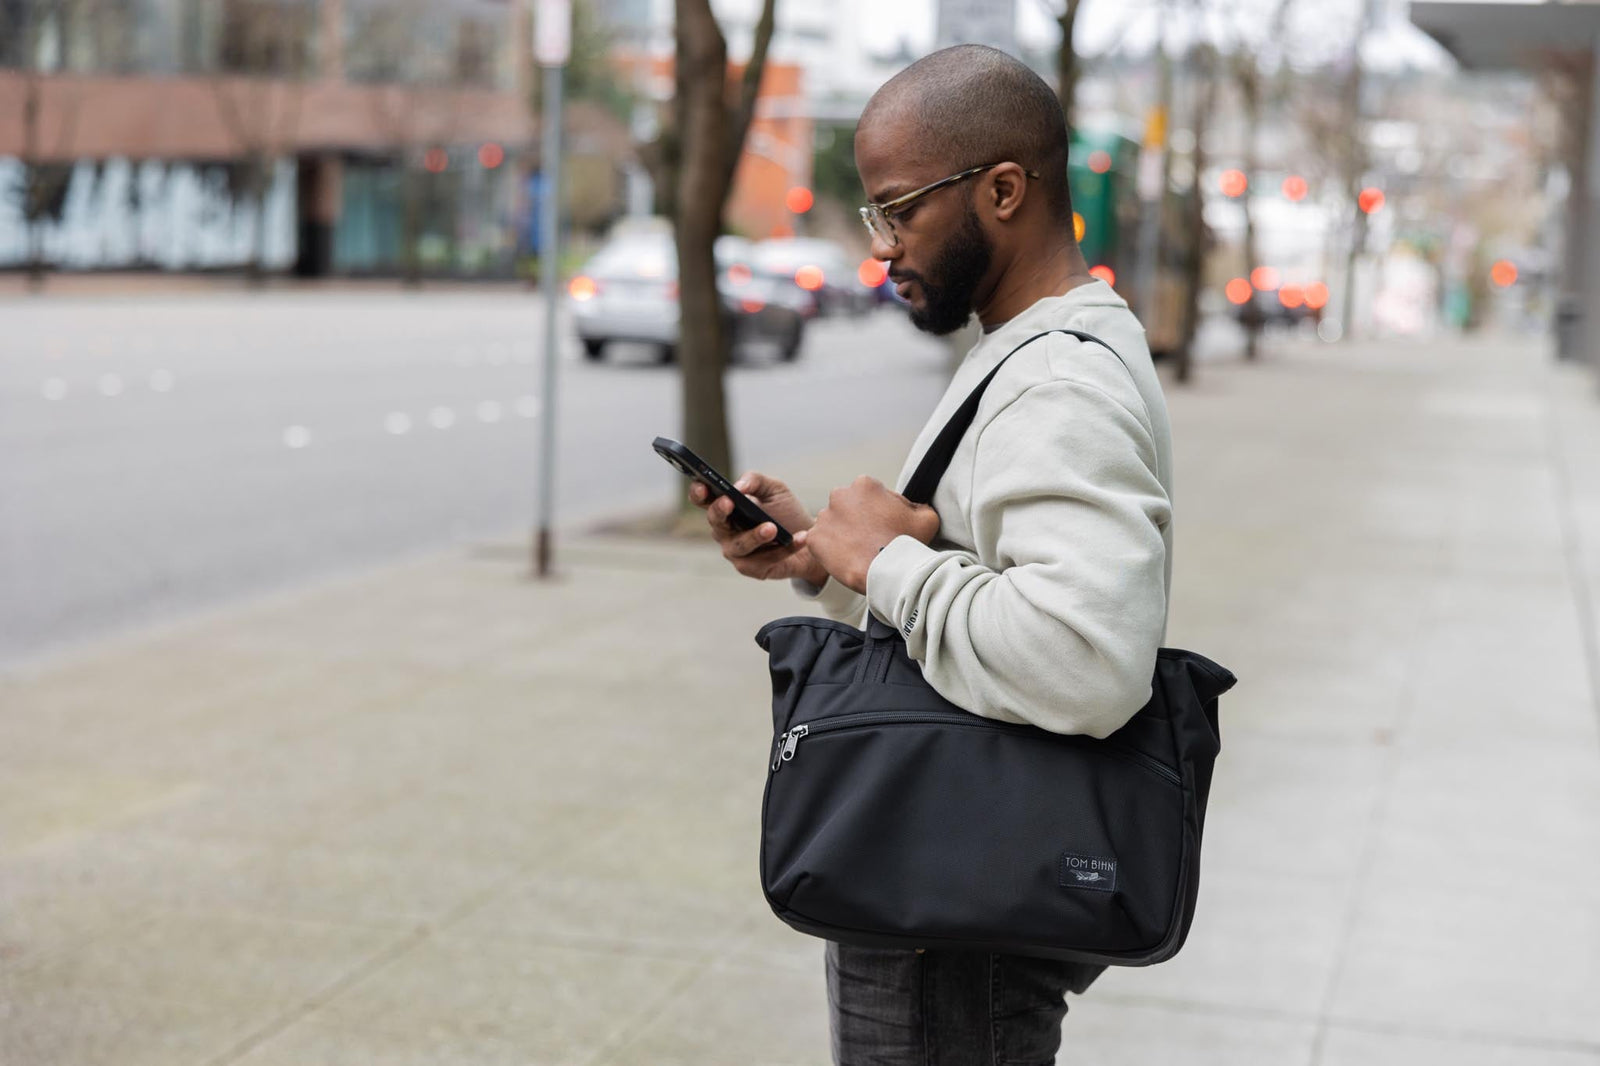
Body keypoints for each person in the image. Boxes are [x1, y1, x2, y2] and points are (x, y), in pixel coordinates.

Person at [692, 44, 1174, 1065]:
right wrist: (825, 558)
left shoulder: (1059, 384)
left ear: (1002, 190)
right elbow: (987, 586)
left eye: (899, 209)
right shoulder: (1029, 347)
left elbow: (1088, 658)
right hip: (953, 885)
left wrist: (889, 566)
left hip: (957, 915)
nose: (881, 246)